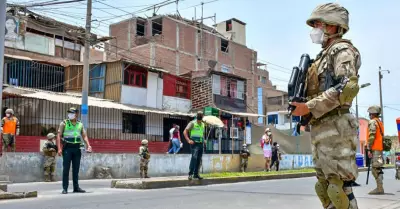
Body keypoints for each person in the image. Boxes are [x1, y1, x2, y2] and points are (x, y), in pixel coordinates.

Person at [290, 3, 361, 209]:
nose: (315, 29)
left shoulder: (343, 51)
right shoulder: (322, 56)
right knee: (324, 187)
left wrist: (309, 107)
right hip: (321, 126)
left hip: (337, 127)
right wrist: (304, 112)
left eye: (319, 24)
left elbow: (346, 88)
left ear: (333, 26)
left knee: (338, 188)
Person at [57, 107, 92, 194]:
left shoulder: (80, 124)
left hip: (77, 148)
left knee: (76, 169)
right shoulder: (64, 123)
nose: (70, 114)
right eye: (69, 113)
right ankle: (65, 188)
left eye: (72, 113)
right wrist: (59, 148)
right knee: (66, 169)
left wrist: (89, 145)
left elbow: (84, 136)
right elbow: (58, 136)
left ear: (76, 114)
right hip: (67, 148)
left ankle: (76, 187)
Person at [366, 105, 385, 195]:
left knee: (375, 169)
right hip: (380, 149)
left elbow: (372, 136)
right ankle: (380, 187)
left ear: (372, 113)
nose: (369, 115)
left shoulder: (373, 122)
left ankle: (379, 188)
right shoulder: (379, 122)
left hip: (375, 149)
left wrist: (369, 149)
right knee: (378, 168)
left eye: (370, 113)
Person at [184, 111, 206, 180]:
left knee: (199, 159)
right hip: (194, 143)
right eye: (199, 115)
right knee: (194, 158)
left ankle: (196, 174)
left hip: (200, 143)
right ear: (197, 116)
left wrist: (204, 140)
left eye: (201, 115)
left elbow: (201, 134)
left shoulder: (203, 124)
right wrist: (188, 140)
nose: (200, 116)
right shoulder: (192, 123)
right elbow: (185, 132)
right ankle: (190, 174)